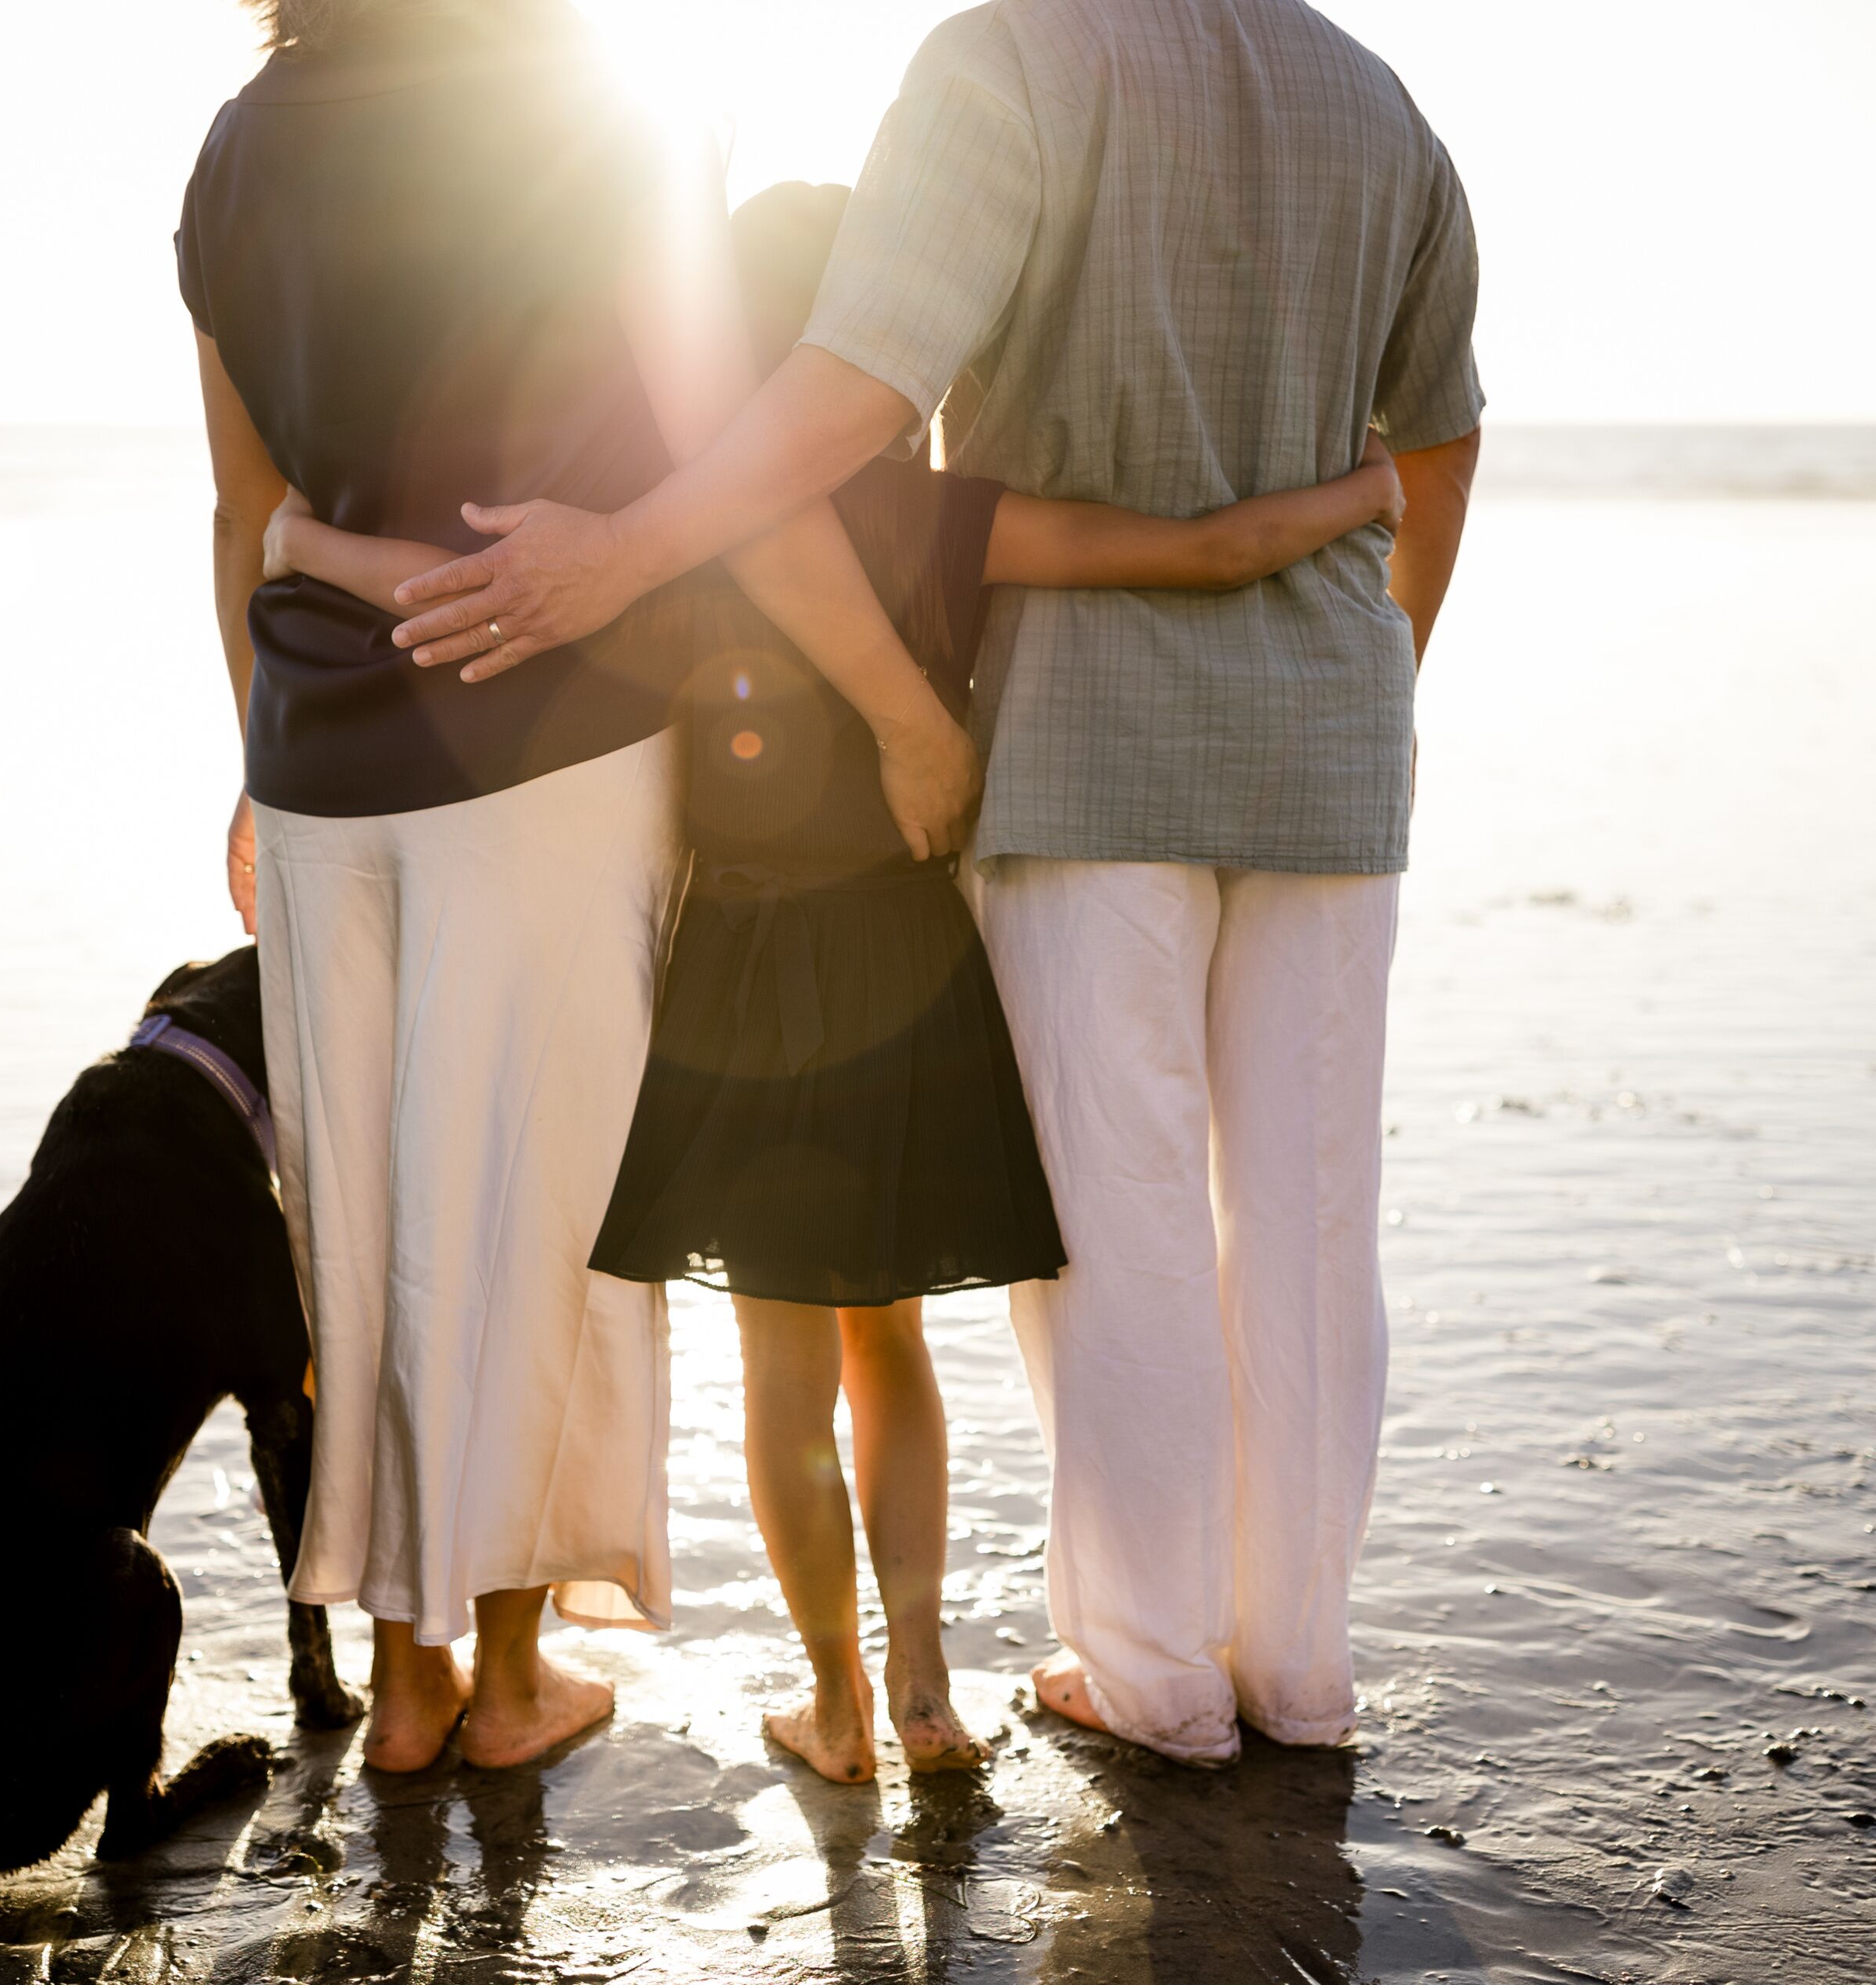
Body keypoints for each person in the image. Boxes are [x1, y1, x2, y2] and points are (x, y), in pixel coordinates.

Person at [382, 0, 1485, 1766]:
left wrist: (631, 545)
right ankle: (1304, 1669)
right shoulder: (1379, 98)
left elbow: (853, 397)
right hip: (1332, 740)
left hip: (1083, 737)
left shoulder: (1013, 62)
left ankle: (1155, 1676)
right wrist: (1377, 685)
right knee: (1310, 1219)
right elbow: (1437, 447)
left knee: (1116, 1222)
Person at [176, 0, 981, 1772]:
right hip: (538, 747)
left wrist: (259, 750)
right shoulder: (595, 119)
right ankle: (516, 1673)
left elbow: (247, 510)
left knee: (367, 1224)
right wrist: (907, 707)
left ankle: (405, 1680)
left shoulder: (237, 149)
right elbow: (741, 478)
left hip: (320, 763)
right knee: (532, 1221)